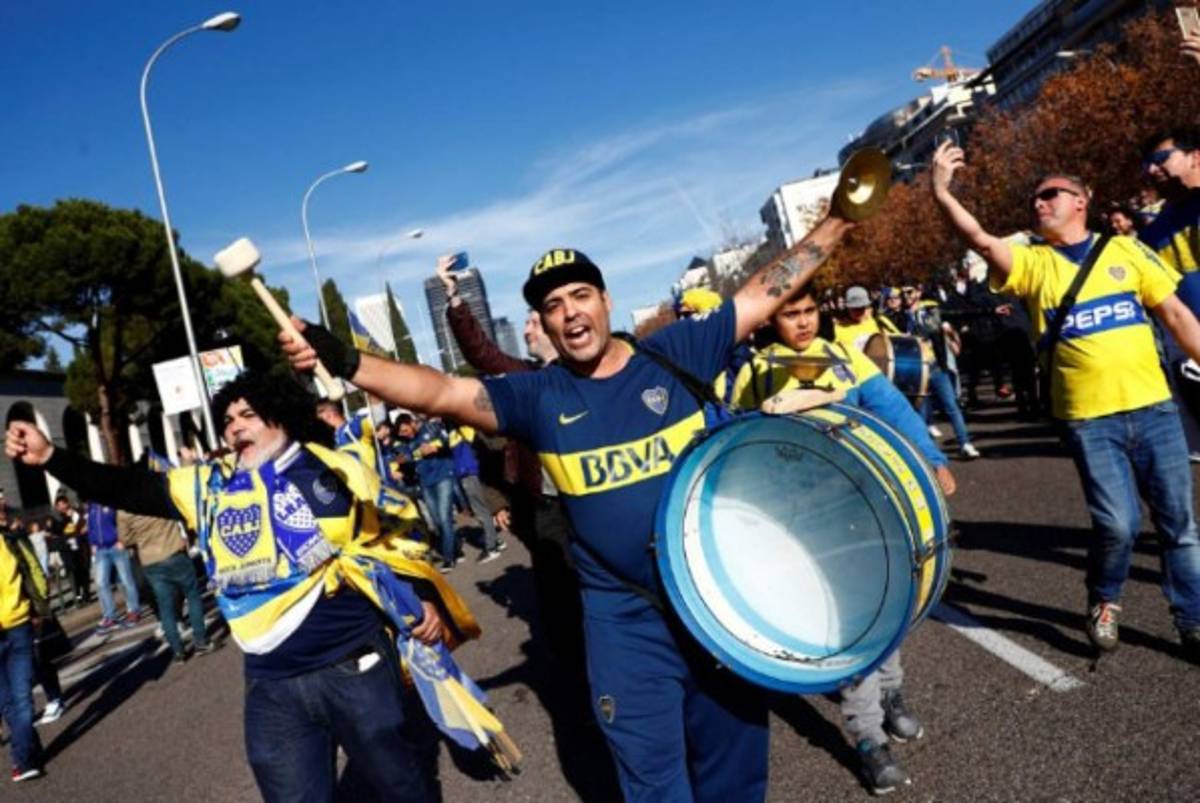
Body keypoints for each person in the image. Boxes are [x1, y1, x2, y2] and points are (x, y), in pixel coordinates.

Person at [283, 212, 852, 801]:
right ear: (547, 324)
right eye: (554, 305)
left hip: (715, 606)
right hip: (623, 623)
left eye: (581, 295)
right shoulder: (539, 395)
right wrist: (347, 361)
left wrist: (840, 218)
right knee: (653, 784)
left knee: (734, 775)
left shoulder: (676, 353)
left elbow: (764, 292)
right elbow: (441, 391)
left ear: (606, 301)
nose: (570, 312)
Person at [6, 371, 488, 801]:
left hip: (353, 666)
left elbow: (397, 527)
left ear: (279, 417)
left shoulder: (332, 468)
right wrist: (50, 456)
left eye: (248, 414)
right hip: (270, 685)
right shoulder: (209, 486)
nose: (234, 426)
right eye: (228, 419)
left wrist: (421, 597)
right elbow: (127, 488)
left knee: (399, 786)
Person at [931, 139, 1200, 659]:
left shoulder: (1126, 249)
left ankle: (1191, 620)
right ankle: (1104, 598)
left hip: (1155, 409)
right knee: (1117, 525)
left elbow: (1176, 316)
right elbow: (982, 240)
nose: (1039, 202)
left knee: (1180, 528)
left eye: (1050, 194)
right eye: (1035, 198)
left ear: (1082, 200)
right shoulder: (1033, 264)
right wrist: (943, 194)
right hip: (1088, 421)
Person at [729, 284, 955, 794]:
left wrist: (933, 459)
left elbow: (892, 407)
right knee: (850, 627)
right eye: (791, 315)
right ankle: (869, 738)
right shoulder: (756, 370)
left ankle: (892, 692)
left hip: (868, 507)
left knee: (890, 605)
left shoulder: (845, 358)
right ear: (772, 321)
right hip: (801, 521)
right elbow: (731, 435)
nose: (804, 323)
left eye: (810, 312)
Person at [117, 508, 217, 663]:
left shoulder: (123, 510)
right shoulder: (157, 491)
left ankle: (178, 652)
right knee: (192, 596)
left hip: (150, 559)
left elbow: (125, 540)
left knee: (165, 607)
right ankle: (201, 641)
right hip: (173, 549)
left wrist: (141, 535)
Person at [899, 283, 980, 459]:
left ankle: (965, 443)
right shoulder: (899, 317)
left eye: (909, 291)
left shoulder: (931, 310)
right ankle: (925, 452)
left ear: (918, 293)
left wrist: (993, 310)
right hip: (915, 372)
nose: (906, 296)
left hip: (935, 367)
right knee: (920, 412)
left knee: (951, 406)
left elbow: (959, 314)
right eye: (903, 293)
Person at [0, 511, 46, 781]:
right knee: (9, 703)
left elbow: (34, 573)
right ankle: (29, 751)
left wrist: (38, 606)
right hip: (15, 625)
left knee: (21, 701)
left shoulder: (11, 540)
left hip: (18, 625)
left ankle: (24, 760)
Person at [395, 414, 460, 571]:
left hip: (444, 475)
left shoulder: (431, 428)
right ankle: (454, 546)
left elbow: (450, 443)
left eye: (406, 430)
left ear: (412, 423)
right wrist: (402, 462)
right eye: (402, 433)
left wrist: (435, 448)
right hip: (425, 483)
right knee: (437, 522)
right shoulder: (405, 443)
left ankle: (448, 558)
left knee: (445, 518)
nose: (405, 434)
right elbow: (408, 458)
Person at [447, 423, 504, 562]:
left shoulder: (463, 427)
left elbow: (473, 438)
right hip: (464, 474)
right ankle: (495, 541)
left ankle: (492, 548)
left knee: (480, 510)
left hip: (470, 472)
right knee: (480, 509)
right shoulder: (451, 432)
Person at [87, 502, 141, 634]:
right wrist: (92, 543)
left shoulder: (111, 502)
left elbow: (123, 520)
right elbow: (91, 525)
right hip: (100, 549)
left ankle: (133, 610)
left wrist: (123, 539)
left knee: (126, 580)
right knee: (100, 583)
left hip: (116, 546)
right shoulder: (91, 506)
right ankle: (110, 616)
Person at [834, 284, 899, 351]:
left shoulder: (879, 322)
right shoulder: (839, 327)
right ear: (848, 308)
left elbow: (898, 340)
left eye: (861, 308)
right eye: (854, 309)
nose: (858, 312)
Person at [52, 496, 89, 607]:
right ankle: (78, 597)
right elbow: (57, 530)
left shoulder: (77, 513)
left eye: (63, 504)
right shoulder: (58, 518)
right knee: (74, 574)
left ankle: (86, 595)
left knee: (84, 570)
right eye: (59, 505)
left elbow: (84, 523)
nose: (61, 507)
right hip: (68, 550)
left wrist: (84, 528)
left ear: (67, 503)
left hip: (81, 547)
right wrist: (67, 519)